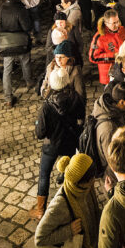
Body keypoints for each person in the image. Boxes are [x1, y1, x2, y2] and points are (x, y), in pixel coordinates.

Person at [32, 68, 86, 219]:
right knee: (69, 174)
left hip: (52, 145)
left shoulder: (47, 106)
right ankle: (72, 207)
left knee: (44, 175)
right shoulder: (75, 98)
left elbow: (40, 133)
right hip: (69, 141)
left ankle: (40, 209)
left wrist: (38, 123)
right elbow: (81, 117)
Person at [92, 81, 125, 191]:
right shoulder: (109, 130)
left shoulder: (116, 110)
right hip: (113, 176)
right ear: (122, 102)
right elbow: (114, 162)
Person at [0, 0, 34, 108]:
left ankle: (8, 97)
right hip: (21, 41)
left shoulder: (1, 8)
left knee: (7, 70)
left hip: (6, 43)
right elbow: (27, 26)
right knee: (25, 62)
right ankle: (29, 82)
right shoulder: (20, 8)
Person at [89, 10, 125, 85]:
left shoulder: (122, 29)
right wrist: (114, 56)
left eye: (117, 21)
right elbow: (93, 57)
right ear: (106, 23)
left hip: (123, 72)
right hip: (109, 76)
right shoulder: (99, 37)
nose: (117, 25)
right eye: (114, 23)